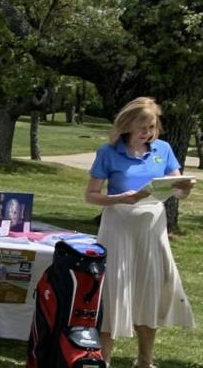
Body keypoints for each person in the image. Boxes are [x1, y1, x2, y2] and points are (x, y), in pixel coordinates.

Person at [85, 97, 195, 367]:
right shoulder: (108, 152)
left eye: (152, 126)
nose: (148, 132)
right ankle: (104, 359)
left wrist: (185, 188)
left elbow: (176, 188)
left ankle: (145, 361)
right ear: (127, 125)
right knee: (112, 290)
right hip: (117, 228)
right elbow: (91, 195)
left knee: (151, 290)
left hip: (151, 230)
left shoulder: (164, 149)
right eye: (142, 126)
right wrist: (120, 198)